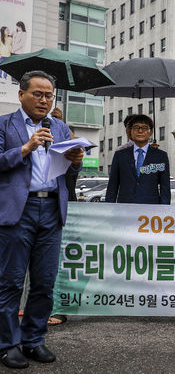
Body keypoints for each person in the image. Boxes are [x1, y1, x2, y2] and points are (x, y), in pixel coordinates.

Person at [0, 70, 84, 368]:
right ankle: (7, 344)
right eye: (38, 94)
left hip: (51, 210)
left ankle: (34, 340)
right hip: (17, 212)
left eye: (49, 95)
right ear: (21, 94)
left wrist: (76, 162)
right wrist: (26, 148)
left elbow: (67, 170)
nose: (44, 100)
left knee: (44, 282)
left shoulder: (60, 127)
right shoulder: (4, 125)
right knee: (10, 282)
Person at [105, 114, 170, 204]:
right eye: (136, 128)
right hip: (125, 208)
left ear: (150, 132)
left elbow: (165, 187)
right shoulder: (120, 155)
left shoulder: (161, 156)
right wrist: (109, 207)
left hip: (151, 209)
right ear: (130, 131)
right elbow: (112, 185)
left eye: (144, 128)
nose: (140, 131)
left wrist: (164, 210)